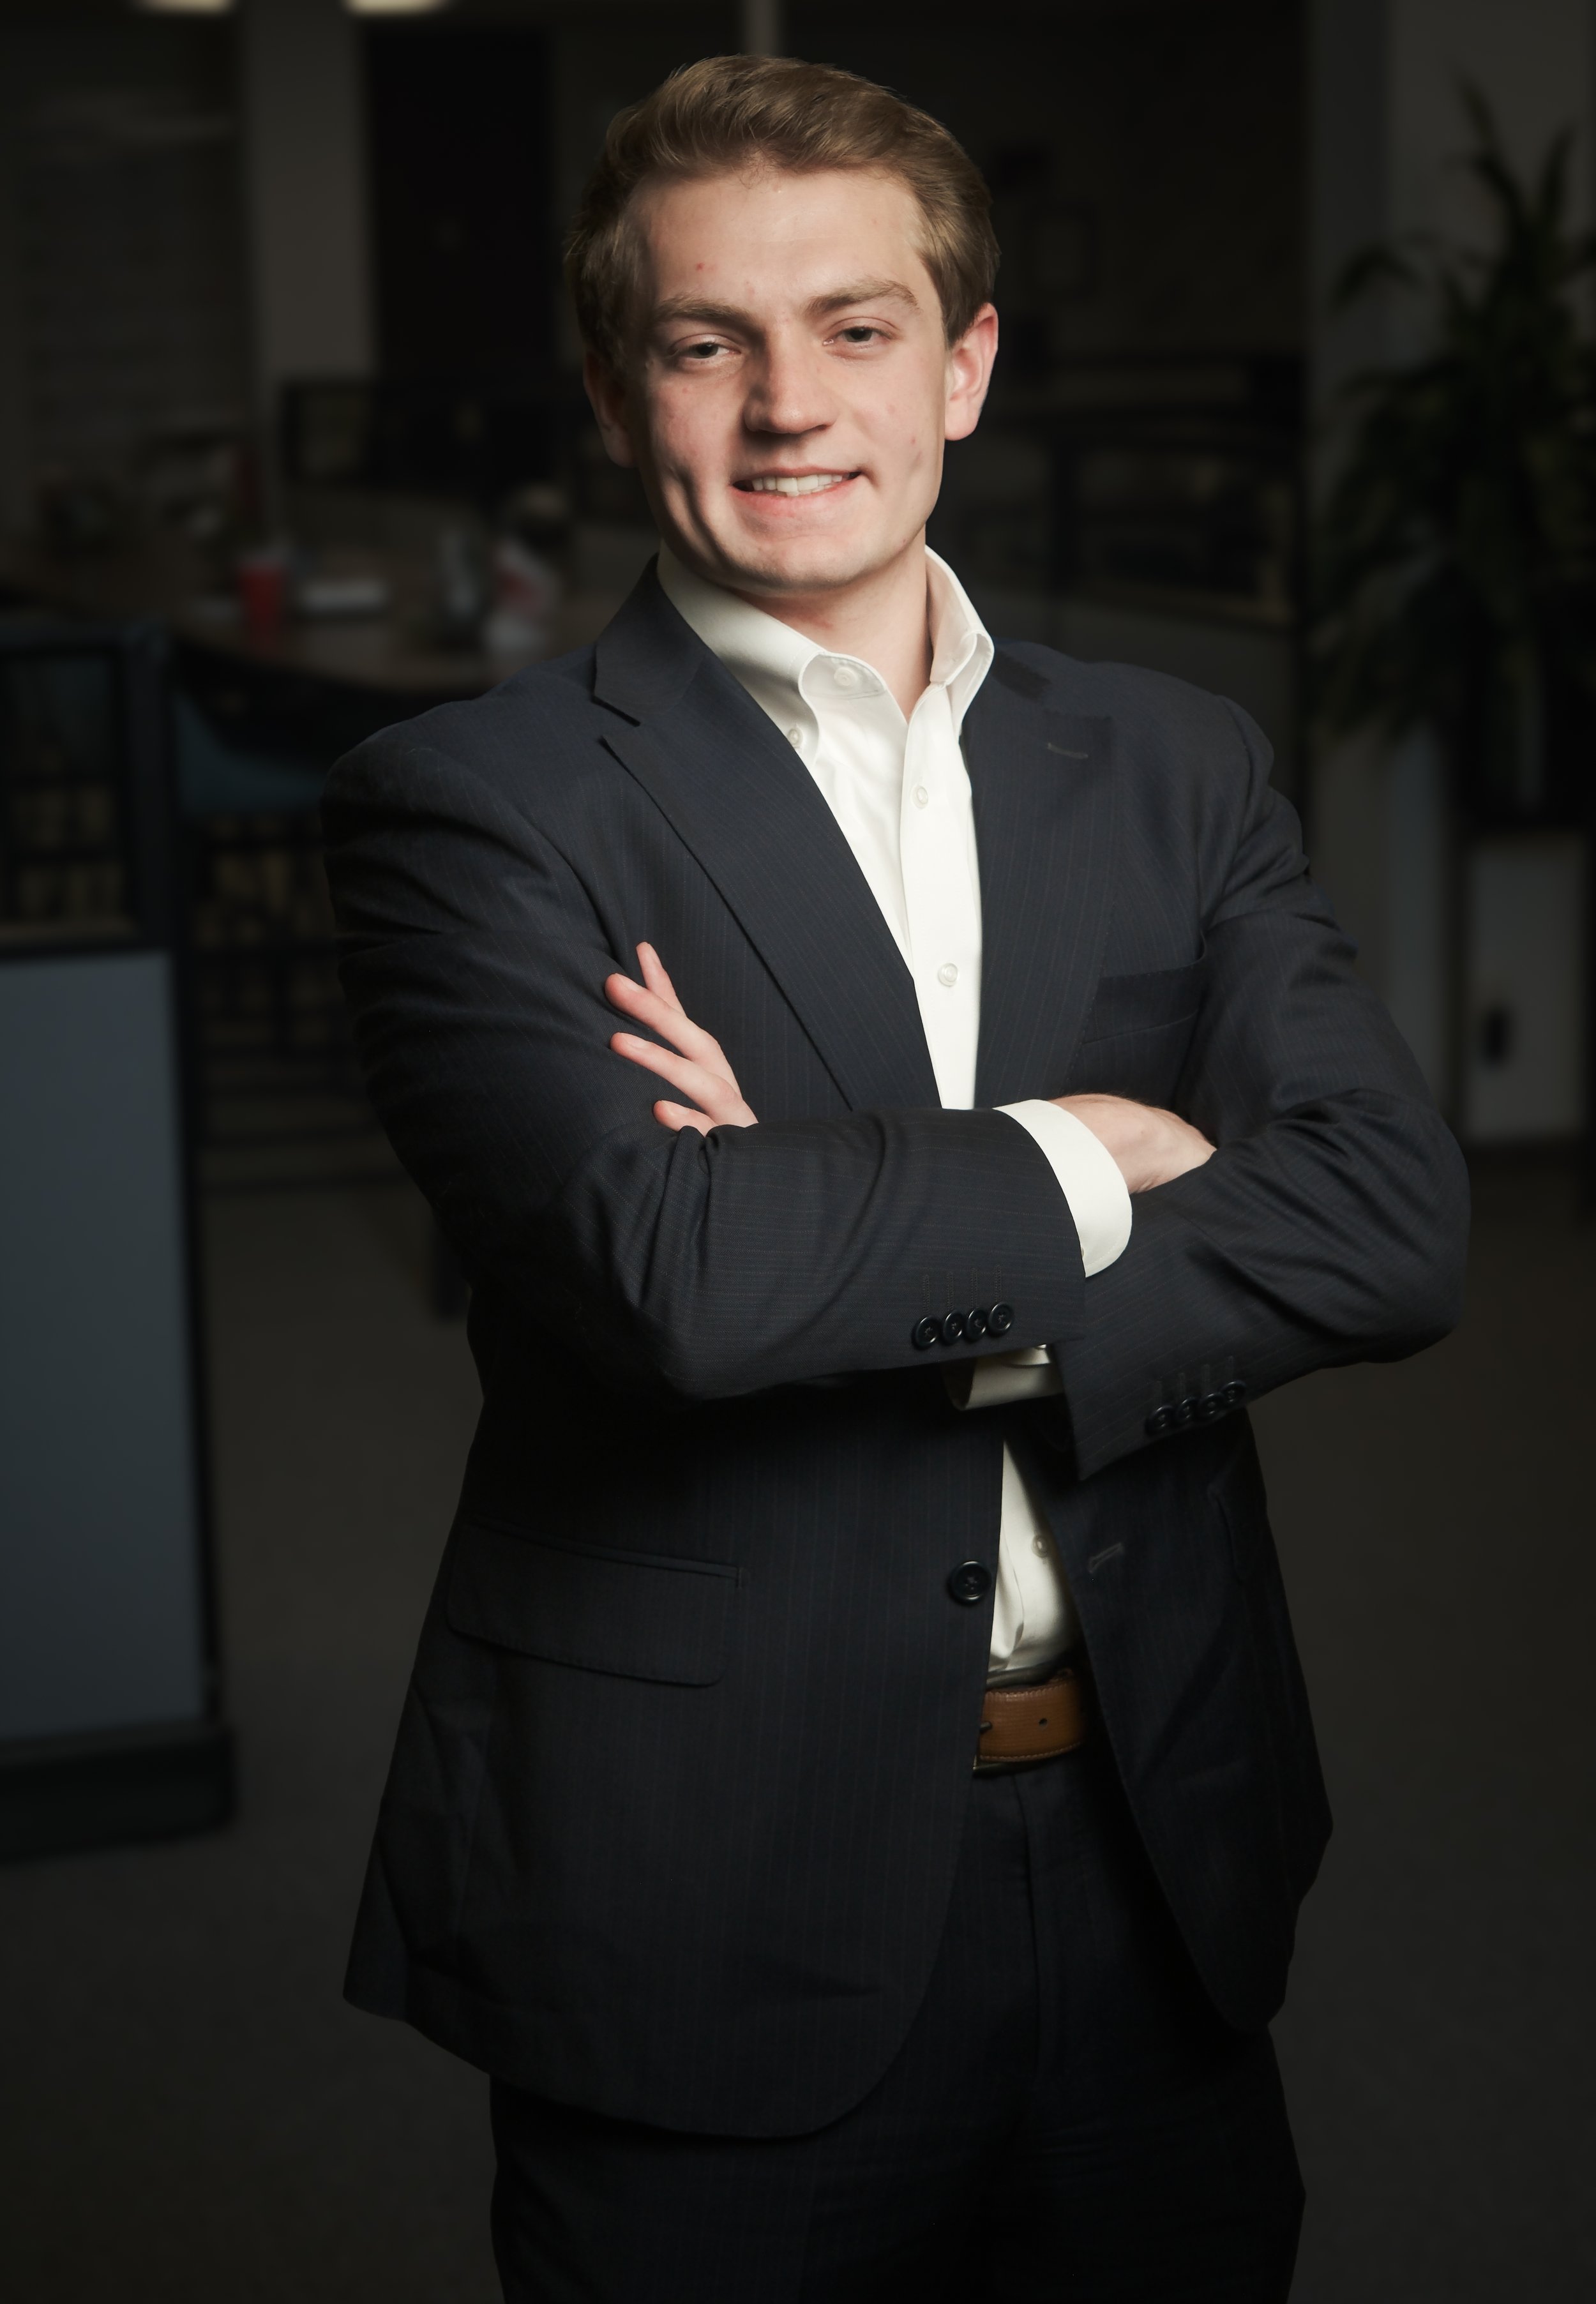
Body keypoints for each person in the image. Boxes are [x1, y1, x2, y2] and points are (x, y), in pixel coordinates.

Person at [322, 54, 1468, 2303]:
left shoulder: (1172, 760)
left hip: (1161, 1833)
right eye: (703, 339)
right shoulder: (475, 805)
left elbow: (1395, 1218)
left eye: (852, 329)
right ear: (608, 382)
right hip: (707, 1880)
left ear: (962, 366)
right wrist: (1096, 1150)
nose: (785, 406)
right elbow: (674, 1275)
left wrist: (845, 1210)